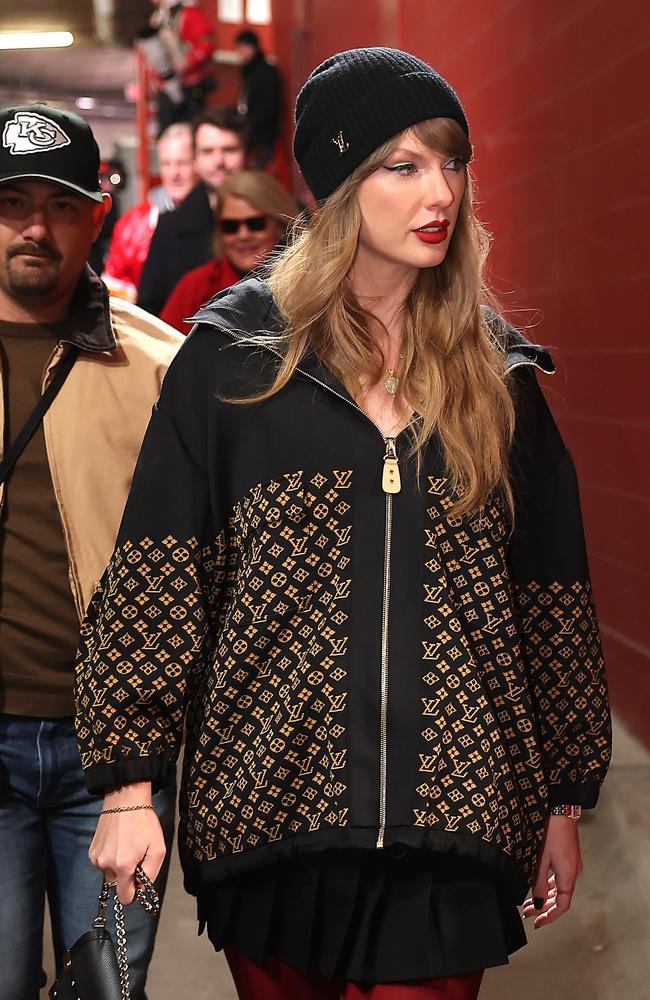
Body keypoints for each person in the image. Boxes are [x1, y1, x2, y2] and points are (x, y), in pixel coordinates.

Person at [75, 48, 612, 1000]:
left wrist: (563, 799)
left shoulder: (501, 379)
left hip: (456, 816)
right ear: (335, 186)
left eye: (450, 161)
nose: (437, 190)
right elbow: (157, 574)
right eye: (400, 166)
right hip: (273, 814)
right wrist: (128, 787)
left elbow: (551, 597)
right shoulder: (234, 361)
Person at [0, 102, 183, 1000]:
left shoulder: (161, 368)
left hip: (115, 761)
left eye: (61, 204)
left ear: (98, 213)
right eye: (12, 201)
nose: (36, 226)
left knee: (107, 989)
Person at [137, 105, 249, 317]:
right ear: (196, 159)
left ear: (248, 154)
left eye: (229, 149)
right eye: (208, 151)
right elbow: (148, 309)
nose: (219, 161)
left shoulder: (281, 217)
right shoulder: (170, 226)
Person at [160, 170, 299, 333]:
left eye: (255, 224)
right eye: (230, 226)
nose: (243, 235)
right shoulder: (194, 287)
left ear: (280, 225)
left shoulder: (306, 283)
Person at [104, 122, 195, 301]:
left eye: (183, 163)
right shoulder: (132, 225)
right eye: (166, 164)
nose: (174, 173)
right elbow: (116, 299)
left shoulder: (224, 219)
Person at [143, 0, 216, 134]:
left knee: (192, 131)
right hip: (166, 87)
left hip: (190, 87)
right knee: (167, 132)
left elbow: (206, 45)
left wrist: (185, 64)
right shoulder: (158, 16)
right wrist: (154, 75)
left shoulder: (190, 14)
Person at [235, 29, 281, 169]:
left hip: (262, 135)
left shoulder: (264, 71)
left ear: (252, 47)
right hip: (253, 132)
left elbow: (269, 104)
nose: (240, 53)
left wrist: (249, 122)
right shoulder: (249, 71)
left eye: (243, 49)